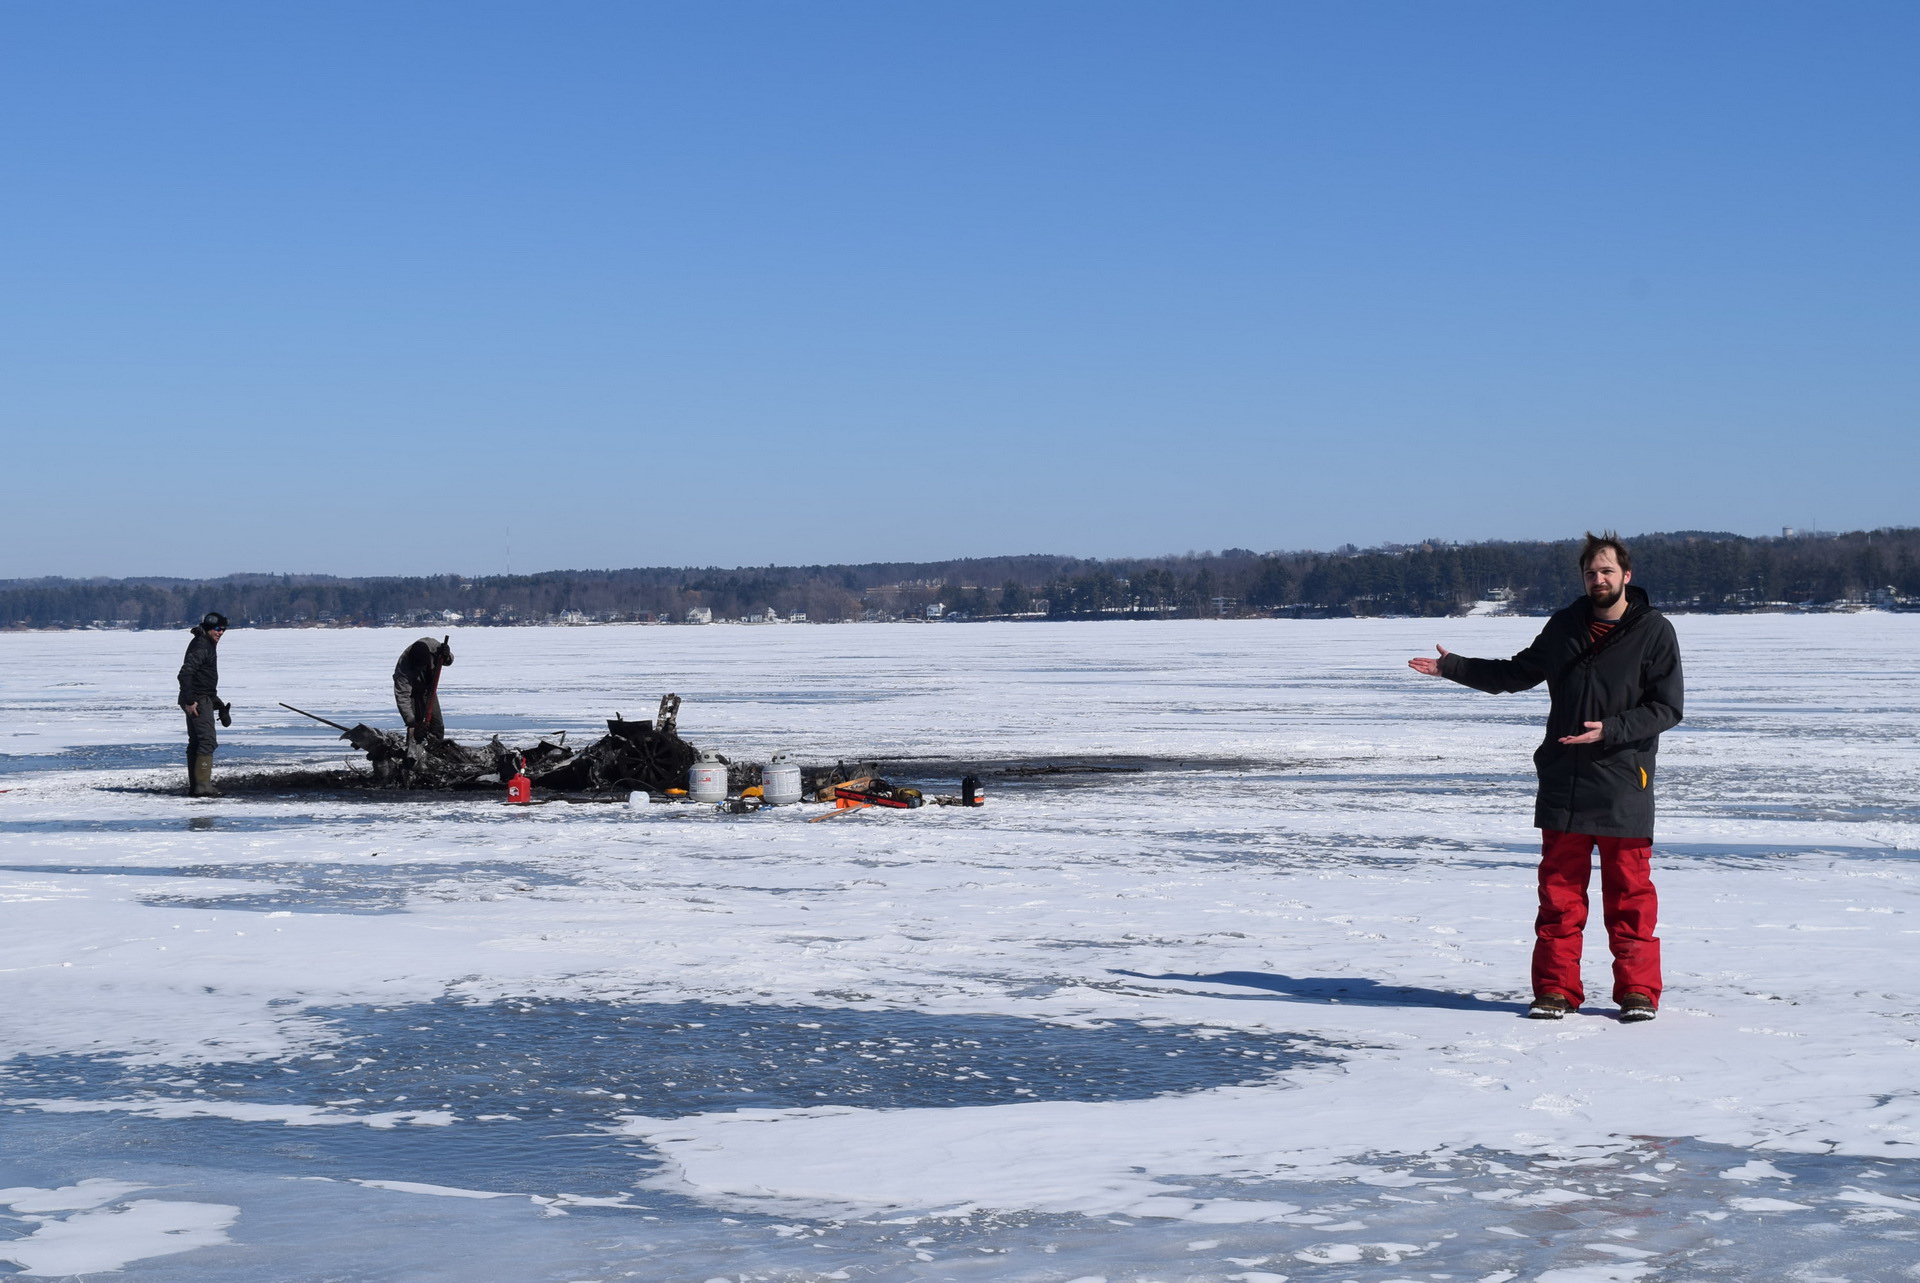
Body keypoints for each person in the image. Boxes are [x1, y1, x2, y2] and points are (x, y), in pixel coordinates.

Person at [1407, 532, 1683, 1022]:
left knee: (1631, 898)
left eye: (1606, 572)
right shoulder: (1565, 626)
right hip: (1565, 780)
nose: (1598, 580)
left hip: (1624, 780)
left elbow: (1667, 707)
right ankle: (1556, 991)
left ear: (1626, 577)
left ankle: (1638, 992)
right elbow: (1517, 673)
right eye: (1590, 573)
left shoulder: (1654, 630)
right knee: (1558, 896)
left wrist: (1613, 729)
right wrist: (1453, 667)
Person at [177, 611, 232, 797]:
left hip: (200, 697)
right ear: (208, 628)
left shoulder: (206, 643)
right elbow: (185, 674)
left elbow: (203, 678)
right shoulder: (202, 646)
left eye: (223, 629)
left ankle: (196, 786)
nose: (221, 632)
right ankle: (202, 786)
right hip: (197, 699)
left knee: (197, 742)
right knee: (207, 741)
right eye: (217, 629)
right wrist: (191, 701)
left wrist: (216, 702)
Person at [394, 635, 454, 742]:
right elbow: (402, 696)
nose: (420, 669)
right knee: (417, 728)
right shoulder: (403, 668)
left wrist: (447, 655)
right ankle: (413, 752)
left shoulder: (434, 647)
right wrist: (412, 722)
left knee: (437, 724)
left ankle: (437, 751)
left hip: (428, 689)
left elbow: (447, 660)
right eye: (418, 667)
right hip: (412, 692)